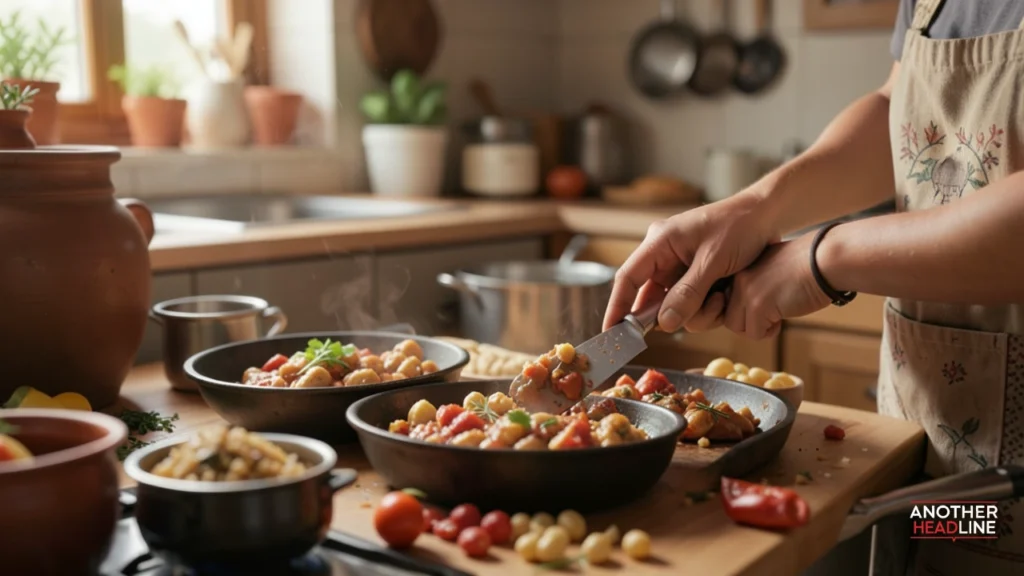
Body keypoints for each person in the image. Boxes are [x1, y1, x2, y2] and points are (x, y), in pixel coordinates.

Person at [604, 0, 1024, 573]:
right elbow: (893, 109)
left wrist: (824, 258)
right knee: (938, 544)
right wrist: (755, 209)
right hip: (942, 475)